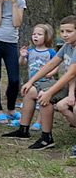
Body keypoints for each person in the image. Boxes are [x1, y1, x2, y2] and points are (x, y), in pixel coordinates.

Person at [21, 15, 76, 151]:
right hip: (71, 85)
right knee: (37, 92)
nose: (64, 35)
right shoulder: (67, 46)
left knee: (47, 96)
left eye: (69, 32)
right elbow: (51, 64)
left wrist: (49, 92)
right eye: (62, 31)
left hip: (72, 85)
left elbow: (71, 74)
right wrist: (31, 81)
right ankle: (45, 137)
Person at [4, 23, 57, 138]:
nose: (35, 36)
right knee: (28, 95)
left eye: (39, 34)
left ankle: (39, 122)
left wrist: (49, 73)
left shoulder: (51, 52)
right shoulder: (31, 51)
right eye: (34, 34)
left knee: (43, 100)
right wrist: (22, 56)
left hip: (46, 82)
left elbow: (56, 68)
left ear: (47, 37)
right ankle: (23, 127)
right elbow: (22, 64)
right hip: (33, 82)